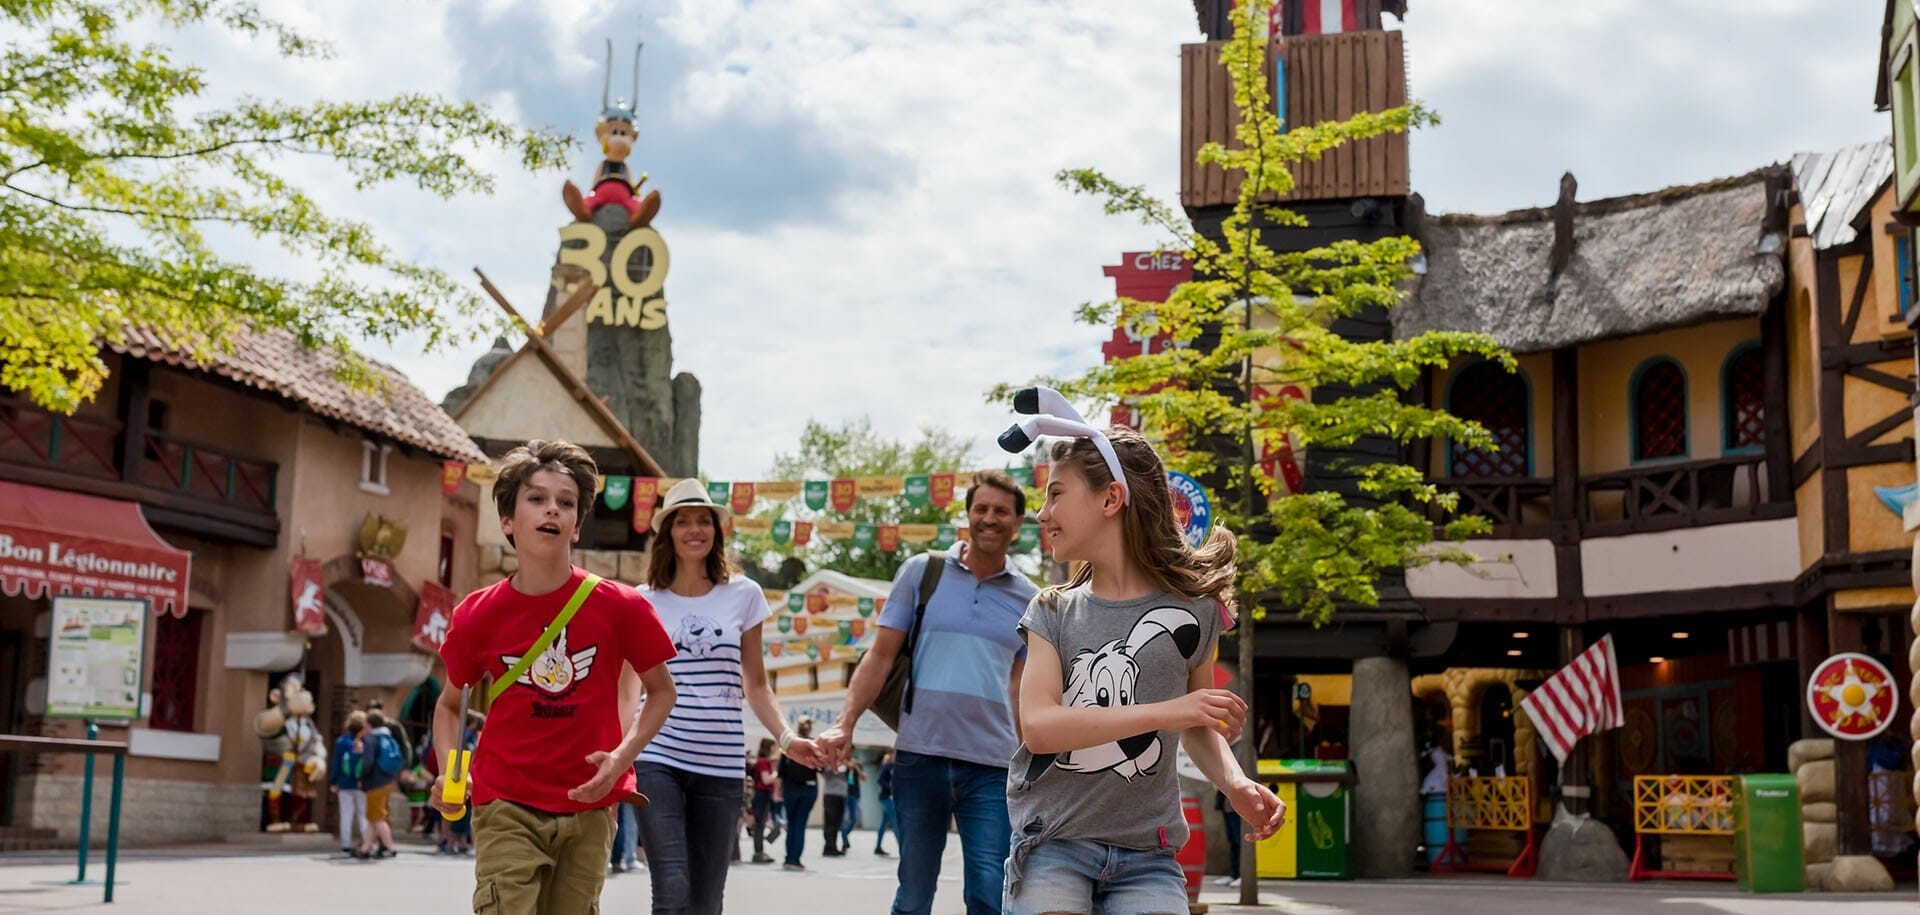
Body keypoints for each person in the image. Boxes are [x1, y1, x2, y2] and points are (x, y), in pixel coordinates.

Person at [998, 408, 1286, 913]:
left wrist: (1235, 782)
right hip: (1053, 845)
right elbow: (1039, 728)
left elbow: (1198, 728)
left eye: (1057, 493)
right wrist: (1169, 711)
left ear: (1111, 498)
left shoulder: (1197, 611)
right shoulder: (1051, 609)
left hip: (1149, 857)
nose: (1042, 513)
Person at [430, 439, 679, 913]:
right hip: (504, 800)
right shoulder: (476, 615)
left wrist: (622, 758)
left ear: (577, 525)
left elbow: (662, 692)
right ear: (508, 521)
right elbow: (448, 704)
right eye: (537, 499)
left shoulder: (621, 607)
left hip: (588, 805)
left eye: (566, 503)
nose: (553, 510)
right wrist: (448, 772)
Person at [818, 470, 1036, 915]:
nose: (989, 518)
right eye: (981, 509)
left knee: (989, 893)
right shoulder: (923, 572)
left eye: (1001, 511)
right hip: (919, 758)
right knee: (914, 897)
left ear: (1017, 524)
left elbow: (1021, 685)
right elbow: (879, 657)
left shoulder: (1031, 599)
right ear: (967, 515)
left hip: (992, 768)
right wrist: (845, 724)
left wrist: (1031, 758)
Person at [633, 478, 823, 913]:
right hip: (656, 756)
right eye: (683, 521)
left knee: (705, 901)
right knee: (672, 888)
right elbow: (631, 690)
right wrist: (618, 757)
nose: (695, 529)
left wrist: (788, 739)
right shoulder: (642, 601)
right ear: (668, 532)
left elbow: (755, 684)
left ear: (717, 531)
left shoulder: (745, 594)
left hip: (720, 763)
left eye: (704, 521)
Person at [359, 709, 405, 859]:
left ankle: (390, 846)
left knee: (377, 817)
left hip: (375, 782)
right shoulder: (387, 735)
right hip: (388, 780)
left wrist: (362, 777)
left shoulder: (370, 738)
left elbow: (368, 762)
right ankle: (366, 847)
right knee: (374, 816)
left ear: (368, 723)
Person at [778, 718, 819, 871]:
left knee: (791, 823)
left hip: (790, 788)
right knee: (800, 824)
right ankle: (795, 859)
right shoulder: (813, 745)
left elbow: (780, 771)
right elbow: (820, 768)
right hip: (808, 789)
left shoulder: (789, 744)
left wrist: (777, 791)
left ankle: (789, 858)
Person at [329, 711, 369, 859]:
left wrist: (333, 781)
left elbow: (336, 763)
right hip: (361, 784)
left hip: (344, 783)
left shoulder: (341, 742)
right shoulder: (366, 742)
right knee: (363, 815)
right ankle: (366, 843)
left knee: (346, 814)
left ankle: (345, 846)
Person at [749, 739, 779, 863]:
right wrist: (777, 773)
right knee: (760, 825)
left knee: (760, 824)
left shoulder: (762, 762)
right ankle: (758, 852)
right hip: (762, 794)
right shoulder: (763, 762)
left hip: (763, 794)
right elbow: (766, 780)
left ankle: (760, 850)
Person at [1211, 790, 1241, 887]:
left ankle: (1242, 875)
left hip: (1238, 808)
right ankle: (1234, 874)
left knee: (1239, 841)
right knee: (1232, 841)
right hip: (1227, 806)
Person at [820, 760, 848, 856]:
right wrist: (835, 764)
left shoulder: (846, 763)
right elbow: (825, 773)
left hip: (841, 795)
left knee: (837, 822)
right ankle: (828, 846)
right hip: (830, 795)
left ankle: (834, 846)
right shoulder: (828, 762)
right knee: (830, 821)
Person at [872, 751, 896, 857]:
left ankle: (878, 847)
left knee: (884, 823)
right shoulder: (887, 766)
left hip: (891, 798)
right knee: (896, 822)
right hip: (886, 797)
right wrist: (891, 788)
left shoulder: (896, 766)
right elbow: (880, 780)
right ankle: (903, 849)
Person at [839, 760, 863, 853]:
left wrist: (855, 768)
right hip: (843, 793)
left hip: (855, 794)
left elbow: (864, 777)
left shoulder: (858, 764)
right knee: (844, 819)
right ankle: (844, 840)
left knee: (854, 819)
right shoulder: (842, 764)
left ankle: (845, 836)